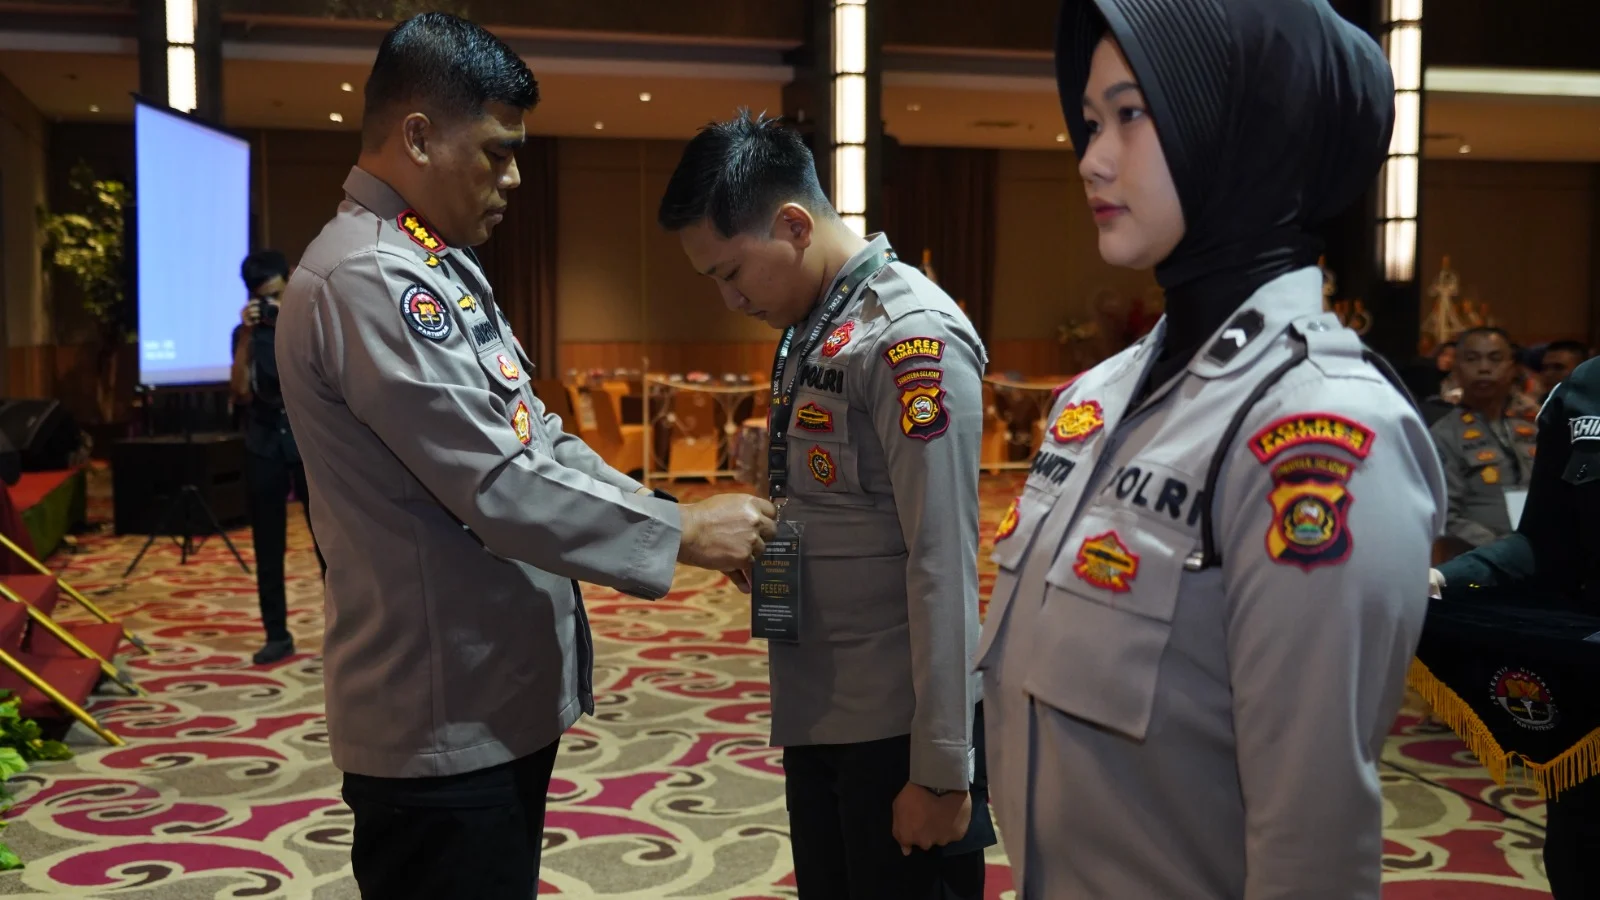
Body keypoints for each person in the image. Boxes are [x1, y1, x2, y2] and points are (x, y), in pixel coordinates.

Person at [274, 14, 775, 897]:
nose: (511, 178)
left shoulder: (431, 259)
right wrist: (685, 532)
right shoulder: (371, 275)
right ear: (418, 136)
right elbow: (499, 485)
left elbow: (534, 435)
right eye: (496, 152)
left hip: (481, 699)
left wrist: (667, 514)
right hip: (437, 713)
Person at [975, 1, 1447, 896]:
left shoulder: (1320, 435)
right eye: (1089, 123)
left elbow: (1310, 848)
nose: (1091, 158)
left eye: (1131, 113)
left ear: (1244, 127)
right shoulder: (1094, 399)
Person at [658, 111, 996, 899]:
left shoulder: (908, 336)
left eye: (732, 272)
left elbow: (944, 561)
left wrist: (943, 770)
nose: (731, 299)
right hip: (820, 707)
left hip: (895, 729)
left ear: (794, 225)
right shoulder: (817, 324)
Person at [1431, 356, 1600, 897]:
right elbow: (1545, 542)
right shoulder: (1584, 389)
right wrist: (1443, 579)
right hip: (1592, 678)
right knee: (1580, 859)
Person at [230, 250, 325, 665]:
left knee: (329, 543)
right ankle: (276, 634)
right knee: (267, 546)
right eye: (263, 298)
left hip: (308, 441)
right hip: (263, 442)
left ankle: (347, 631)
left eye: (276, 294)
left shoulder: (309, 321)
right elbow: (240, 393)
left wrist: (290, 320)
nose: (270, 303)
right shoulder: (246, 333)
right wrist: (247, 339)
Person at [1432, 326, 1539, 556]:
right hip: (1478, 561)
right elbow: (1445, 515)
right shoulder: (1444, 434)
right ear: (1456, 368)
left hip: (1541, 555)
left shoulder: (1533, 428)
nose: (1484, 368)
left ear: (1512, 367)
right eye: (1472, 359)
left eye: (1495, 359)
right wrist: (1505, 550)